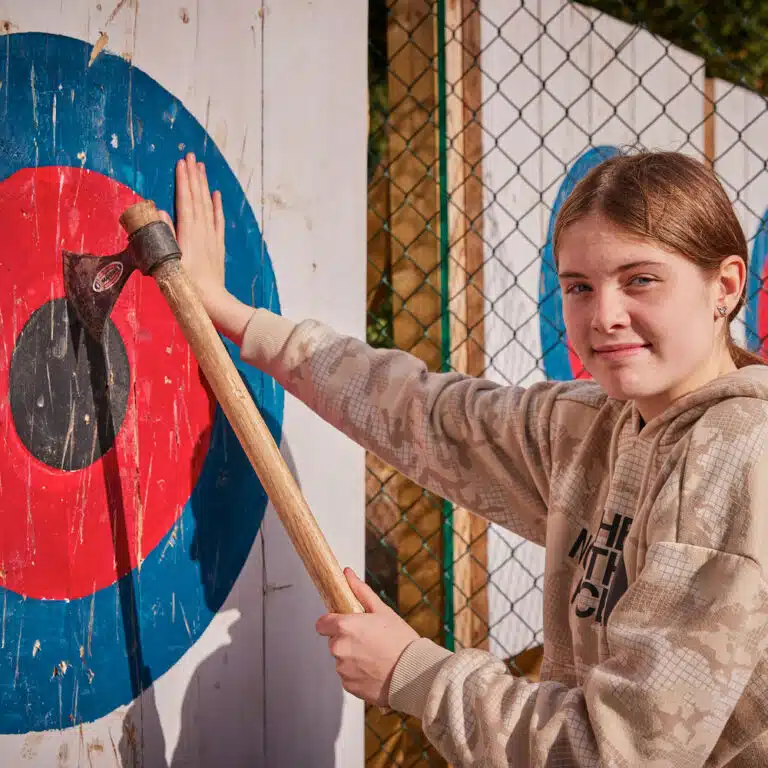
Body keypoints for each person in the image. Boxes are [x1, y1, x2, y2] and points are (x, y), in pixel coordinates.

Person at [164, 150, 768, 766]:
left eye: (640, 279)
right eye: (579, 287)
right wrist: (234, 317)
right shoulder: (599, 425)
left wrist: (414, 672)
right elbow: (425, 413)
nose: (605, 316)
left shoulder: (738, 457)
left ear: (725, 286)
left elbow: (623, 755)